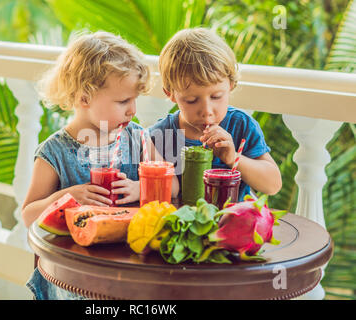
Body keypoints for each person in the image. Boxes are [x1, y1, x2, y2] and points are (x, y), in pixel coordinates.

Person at [22, 31, 179, 300]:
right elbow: (28, 215)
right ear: (84, 98)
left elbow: (173, 186)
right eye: (122, 102)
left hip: (128, 270)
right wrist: (64, 197)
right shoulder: (54, 152)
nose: (132, 110)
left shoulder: (138, 138)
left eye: (134, 100)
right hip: (72, 276)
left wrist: (140, 188)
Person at [148, 28, 282, 202]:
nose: (207, 111)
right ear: (170, 94)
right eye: (191, 100)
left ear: (231, 85)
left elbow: (273, 185)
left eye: (216, 97)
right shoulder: (161, 135)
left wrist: (232, 158)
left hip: (232, 224)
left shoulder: (240, 125)